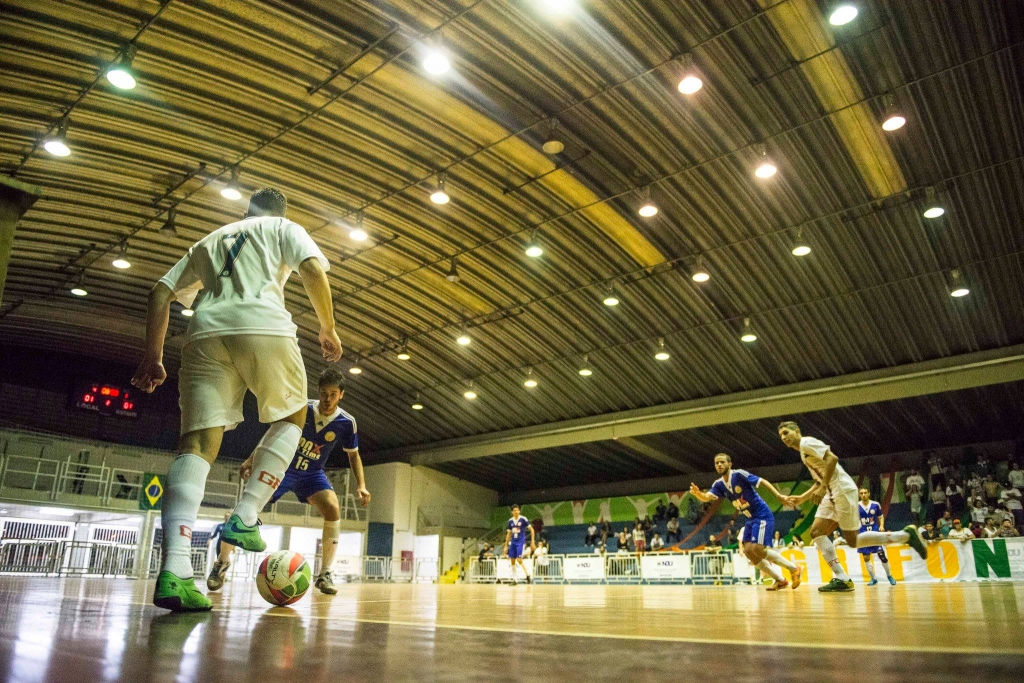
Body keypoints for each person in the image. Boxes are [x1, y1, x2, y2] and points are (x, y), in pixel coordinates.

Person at [132, 188, 343, 612]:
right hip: (264, 325)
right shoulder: (282, 227)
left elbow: (159, 292)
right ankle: (245, 516)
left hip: (205, 333)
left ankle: (175, 571)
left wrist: (153, 357)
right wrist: (328, 327)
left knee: (195, 446)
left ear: (245, 211)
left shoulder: (211, 240)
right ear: (281, 212)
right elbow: (311, 269)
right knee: (292, 415)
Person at [208, 369, 370, 595]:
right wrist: (251, 458)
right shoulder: (302, 407)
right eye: (324, 393)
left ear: (341, 395)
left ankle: (325, 574)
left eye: (333, 394)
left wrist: (361, 485)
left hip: (312, 474)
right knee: (245, 508)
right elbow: (274, 432)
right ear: (318, 391)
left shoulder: (347, 422)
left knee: (333, 508)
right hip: (283, 468)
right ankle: (222, 562)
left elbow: (353, 455)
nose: (327, 398)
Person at [777, 421, 926, 593]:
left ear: (797, 431)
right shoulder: (803, 453)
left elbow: (832, 458)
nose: (784, 437)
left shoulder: (806, 443)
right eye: (781, 436)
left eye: (786, 432)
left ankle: (906, 535)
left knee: (853, 541)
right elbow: (820, 479)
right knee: (816, 532)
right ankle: (842, 578)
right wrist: (803, 498)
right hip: (831, 492)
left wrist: (824, 487)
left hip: (841, 490)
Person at [689, 453, 802, 591]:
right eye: (716, 463)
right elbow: (707, 497)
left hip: (762, 515)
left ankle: (794, 568)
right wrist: (698, 494)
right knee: (749, 551)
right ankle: (780, 580)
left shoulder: (739, 474)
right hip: (750, 519)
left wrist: (778, 495)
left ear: (730, 464)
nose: (719, 465)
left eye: (722, 462)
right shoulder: (718, 484)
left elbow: (762, 481)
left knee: (757, 548)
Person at [857, 488, 895, 586]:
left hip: (875, 534)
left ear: (869, 493)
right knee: (866, 557)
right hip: (863, 535)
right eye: (861, 493)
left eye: (865, 493)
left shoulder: (875, 505)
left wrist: (881, 526)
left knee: (882, 556)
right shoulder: (856, 506)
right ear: (859, 495)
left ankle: (889, 576)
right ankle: (873, 578)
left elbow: (880, 516)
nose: (863, 495)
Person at [503, 504, 535, 584]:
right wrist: (506, 546)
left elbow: (532, 530)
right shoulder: (510, 521)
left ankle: (527, 574)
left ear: (519, 511)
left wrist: (532, 541)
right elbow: (508, 534)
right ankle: (515, 580)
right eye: (514, 510)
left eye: (517, 510)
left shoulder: (523, 519)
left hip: (520, 542)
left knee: (518, 558)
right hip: (513, 542)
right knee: (512, 560)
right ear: (512, 512)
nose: (516, 512)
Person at [204, 512, 233, 590]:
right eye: (226, 516)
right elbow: (215, 535)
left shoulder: (232, 527)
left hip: (228, 544)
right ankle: (218, 574)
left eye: (228, 516)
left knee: (225, 559)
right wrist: (210, 539)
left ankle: (222, 575)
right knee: (219, 560)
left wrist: (234, 546)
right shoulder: (220, 526)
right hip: (219, 544)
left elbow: (234, 537)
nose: (227, 517)